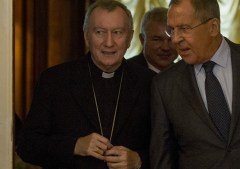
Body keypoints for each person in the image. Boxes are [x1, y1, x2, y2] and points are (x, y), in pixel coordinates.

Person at [150, 0, 240, 168]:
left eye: (184, 29)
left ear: (213, 27)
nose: (175, 39)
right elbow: (163, 158)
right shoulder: (165, 84)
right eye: (171, 30)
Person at [16, 0, 155, 169]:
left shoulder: (150, 82)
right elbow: (27, 145)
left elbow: (170, 147)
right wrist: (74, 146)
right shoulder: (55, 80)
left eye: (118, 32)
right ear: (86, 36)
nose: (109, 42)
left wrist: (139, 160)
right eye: (99, 32)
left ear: (130, 37)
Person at [129, 7, 178, 73]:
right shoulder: (124, 73)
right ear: (142, 40)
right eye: (157, 40)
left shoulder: (186, 74)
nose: (165, 47)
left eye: (171, 40)